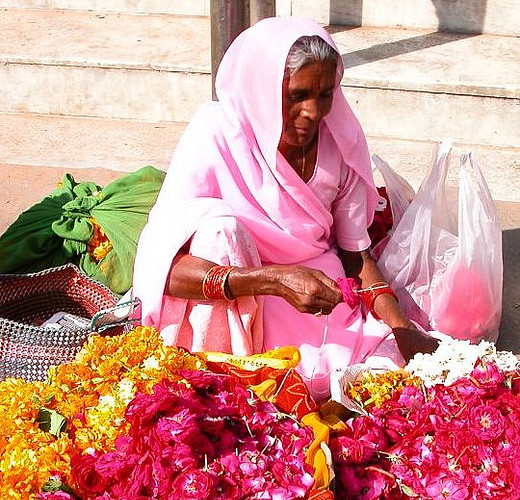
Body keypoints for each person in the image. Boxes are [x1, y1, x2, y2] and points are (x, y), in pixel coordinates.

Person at [132, 16, 438, 401]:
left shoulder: (338, 141)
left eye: (325, 93)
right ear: (262, 90)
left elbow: (354, 254)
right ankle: (231, 377)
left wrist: (400, 326)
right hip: (241, 305)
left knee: (381, 379)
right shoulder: (217, 134)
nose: (313, 111)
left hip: (324, 307)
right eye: (297, 95)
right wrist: (272, 280)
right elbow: (165, 270)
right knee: (217, 230)